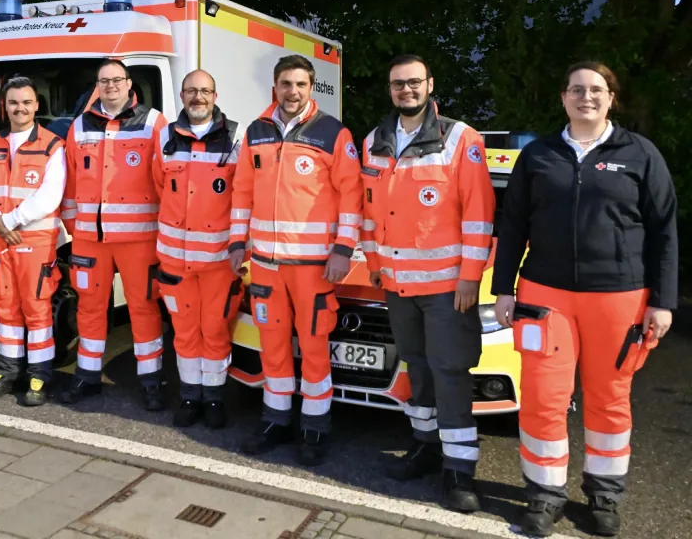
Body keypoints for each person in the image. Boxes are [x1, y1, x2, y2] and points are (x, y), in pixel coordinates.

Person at [491, 61, 677, 537]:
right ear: (563, 98)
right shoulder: (538, 155)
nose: (586, 97)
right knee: (543, 398)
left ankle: (604, 495)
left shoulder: (640, 154)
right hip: (544, 295)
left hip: (620, 296)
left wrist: (663, 301)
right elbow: (512, 224)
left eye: (596, 90)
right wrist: (503, 288)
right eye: (576, 89)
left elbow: (663, 231)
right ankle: (544, 494)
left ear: (611, 97)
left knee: (609, 399)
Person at [359, 55, 495, 512]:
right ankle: (424, 446)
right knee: (416, 369)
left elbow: (478, 215)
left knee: (450, 373)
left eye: (414, 83)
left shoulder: (460, 139)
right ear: (389, 89)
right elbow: (369, 211)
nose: (406, 91)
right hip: (397, 286)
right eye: (398, 84)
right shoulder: (374, 141)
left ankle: (459, 472)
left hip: (444, 288)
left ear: (430, 84)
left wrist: (469, 280)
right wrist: (376, 265)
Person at [229, 55, 363, 465]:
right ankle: (275, 420)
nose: (293, 91)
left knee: (314, 345)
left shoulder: (333, 133)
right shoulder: (256, 131)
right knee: (272, 346)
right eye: (286, 84)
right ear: (276, 87)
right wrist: (237, 243)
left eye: (301, 84)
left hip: (313, 266)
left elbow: (351, 196)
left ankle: (315, 427)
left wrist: (343, 249)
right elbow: (242, 193)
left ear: (311, 87)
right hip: (266, 264)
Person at [58, 59, 170, 410]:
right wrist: (78, 232)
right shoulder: (79, 126)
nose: (110, 86)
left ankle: (151, 381)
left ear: (129, 83)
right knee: (90, 308)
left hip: (139, 238)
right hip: (91, 239)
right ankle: (87, 376)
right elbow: (70, 186)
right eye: (103, 81)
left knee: (144, 307)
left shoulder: (153, 122)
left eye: (116, 80)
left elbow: (166, 182)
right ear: (97, 85)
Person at [152, 69, 243, 429]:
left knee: (216, 329)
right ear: (182, 95)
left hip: (220, 261)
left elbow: (243, 197)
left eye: (205, 91)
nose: (198, 98)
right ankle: (191, 395)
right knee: (185, 331)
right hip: (175, 259)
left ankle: (215, 397)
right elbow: (160, 187)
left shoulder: (237, 138)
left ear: (215, 96)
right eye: (191, 91)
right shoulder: (164, 138)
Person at [0, 77, 65, 406]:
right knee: (5, 308)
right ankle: (7, 372)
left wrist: (9, 221)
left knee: (37, 308)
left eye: (26, 102)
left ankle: (39, 375)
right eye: (13, 102)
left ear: (37, 105)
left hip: (33, 237)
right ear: (5, 106)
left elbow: (50, 195)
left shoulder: (53, 145)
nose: (20, 108)